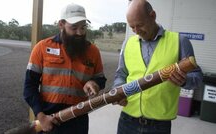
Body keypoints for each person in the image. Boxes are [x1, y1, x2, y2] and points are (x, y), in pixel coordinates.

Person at [113, 0, 203, 134]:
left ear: (153, 15)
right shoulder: (128, 43)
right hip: (127, 120)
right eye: (132, 27)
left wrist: (185, 81)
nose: (137, 31)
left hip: (159, 125)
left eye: (140, 25)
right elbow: (121, 74)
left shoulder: (180, 41)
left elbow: (197, 76)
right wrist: (118, 91)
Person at [23, 3, 106, 134]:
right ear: (61, 24)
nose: (80, 32)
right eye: (74, 28)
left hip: (79, 120)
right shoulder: (42, 47)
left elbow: (101, 79)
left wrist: (94, 83)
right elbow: (29, 85)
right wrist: (41, 116)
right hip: (48, 120)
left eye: (83, 27)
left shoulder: (93, 51)